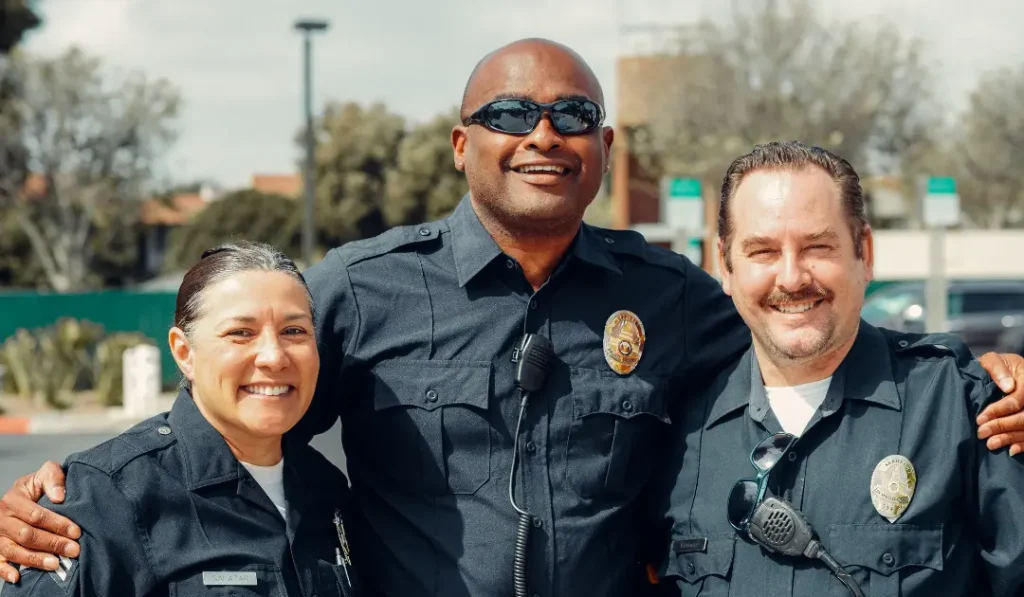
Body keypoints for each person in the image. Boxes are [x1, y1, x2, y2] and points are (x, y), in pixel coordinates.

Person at [2, 39, 1024, 597]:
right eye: (509, 115)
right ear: (460, 144)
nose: (542, 134)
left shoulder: (669, 294)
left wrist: (991, 375)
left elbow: (807, 335)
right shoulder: (360, 287)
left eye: (571, 116)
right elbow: (236, 416)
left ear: (604, 146)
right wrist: (74, 490)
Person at [650, 141, 1024, 596]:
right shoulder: (676, 433)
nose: (791, 277)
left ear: (864, 252)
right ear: (725, 265)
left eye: (817, 246)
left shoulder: (962, 407)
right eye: (763, 251)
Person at [0, 242, 367, 597]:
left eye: (294, 331)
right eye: (241, 333)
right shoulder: (107, 497)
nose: (274, 356)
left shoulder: (326, 490)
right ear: (184, 352)